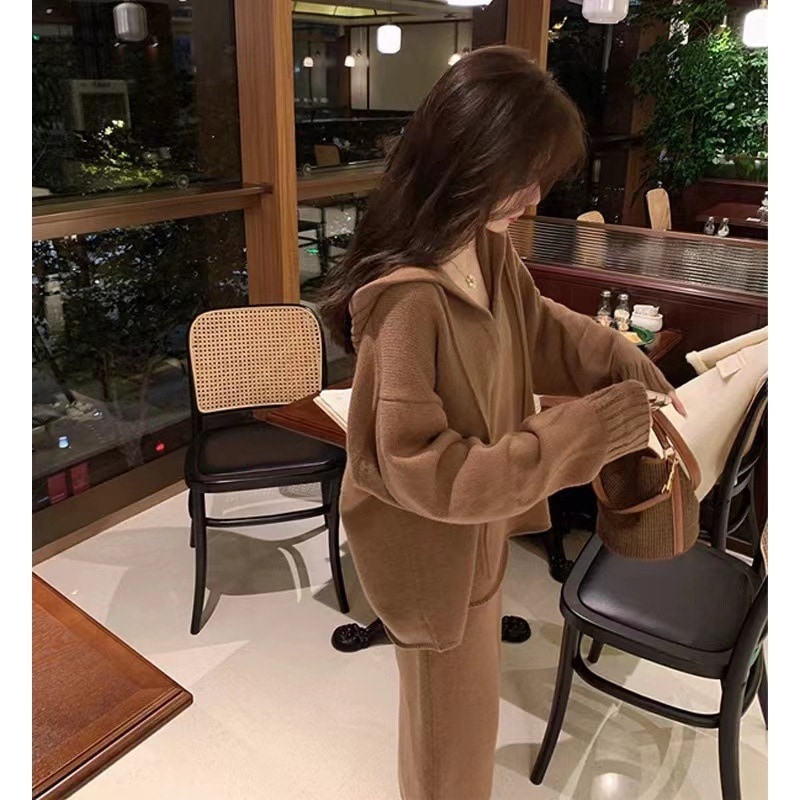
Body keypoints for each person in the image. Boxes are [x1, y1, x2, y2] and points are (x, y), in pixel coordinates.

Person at [319, 46, 685, 800]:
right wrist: (590, 431)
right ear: (468, 161)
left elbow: (537, 326)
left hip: (477, 536)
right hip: (431, 559)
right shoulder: (407, 302)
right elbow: (428, 472)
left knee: (467, 732)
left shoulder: (483, 248)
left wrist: (619, 358)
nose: (533, 195)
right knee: (448, 753)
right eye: (523, 175)